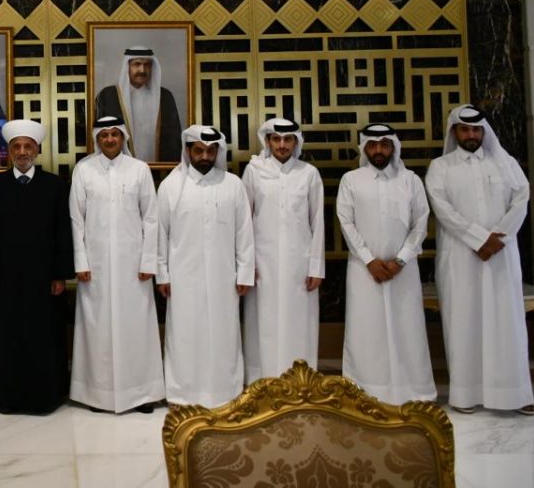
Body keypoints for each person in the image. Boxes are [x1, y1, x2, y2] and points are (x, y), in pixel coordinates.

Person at [426, 104, 534, 415]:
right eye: (465, 129)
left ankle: (516, 394)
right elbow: (442, 209)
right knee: (464, 322)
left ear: (484, 132)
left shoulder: (506, 163)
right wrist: (478, 238)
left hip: (501, 254)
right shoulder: (440, 167)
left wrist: (499, 236)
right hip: (461, 257)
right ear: (455, 132)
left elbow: (522, 198)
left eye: (476, 129)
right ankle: (466, 395)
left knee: (507, 322)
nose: (471, 134)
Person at [69, 115, 164, 413]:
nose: (109, 139)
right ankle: (98, 395)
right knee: (97, 330)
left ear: (123, 137)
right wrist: (80, 261)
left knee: (136, 328)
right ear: (97, 139)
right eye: (104, 135)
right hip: (95, 266)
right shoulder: (84, 170)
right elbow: (76, 219)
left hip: (133, 266)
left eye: (115, 134)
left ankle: (142, 394)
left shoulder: (139, 169)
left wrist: (148, 260)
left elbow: (151, 218)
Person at [0, 119, 74, 414]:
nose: (22, 152)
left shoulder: (55, 186)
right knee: (7, 338)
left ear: (37, 150)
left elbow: (63, 232)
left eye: (27, 146)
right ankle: (8, 397)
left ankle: (47, 396)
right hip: (5, 278)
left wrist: (60, 274)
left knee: (44, 336)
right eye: (16, 147)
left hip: (44, 278)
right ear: (9, 152)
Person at [337, 123, 435, 405]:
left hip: (403, 269)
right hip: (363, 270)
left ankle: (415, 392)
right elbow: (346, 222)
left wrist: (401, 259)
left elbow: (420, 223)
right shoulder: (351, 180)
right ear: (364, 148)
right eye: (372, 145)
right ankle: (363, 392)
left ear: (393, 147)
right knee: (366, 330)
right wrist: (369, 260)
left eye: (384, 144)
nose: (378, 150)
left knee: (408, 329)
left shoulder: (410, 181)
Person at [156, 126, 254, 406]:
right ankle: (182, 393)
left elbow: (244, 232)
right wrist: (162, 274)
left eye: (211, 151)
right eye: (199, 150)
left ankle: (226, 391)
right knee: (185, 335)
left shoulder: (233, 185)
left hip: (224, 277)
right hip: (182, 278)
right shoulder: (171, 187)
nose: (205, 156)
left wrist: (245, 272)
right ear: (188, 150)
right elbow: (160, 234)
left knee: (224, 334)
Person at [241, 118, 325, 381]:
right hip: (262, 262)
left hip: (299, 262)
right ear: (267, 141)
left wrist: (316, 267)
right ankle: (262, 380)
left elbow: (318, 221)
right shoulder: (254, 171)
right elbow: (244, 219)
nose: (281, 145)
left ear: (295, 142)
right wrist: (247, 263)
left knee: (298, 321)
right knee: (263, 320)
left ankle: (300, 379)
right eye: (276, 139)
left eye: (287, 139)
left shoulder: (308, 173)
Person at [95, 46, 181, 163]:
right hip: (119, 168)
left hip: (159, 169)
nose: (142, 70)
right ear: (127, 66)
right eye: (136, 64)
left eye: (147, 65)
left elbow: (174, 138)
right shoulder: (109, 96)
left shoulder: (165, 96)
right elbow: (99, 135)